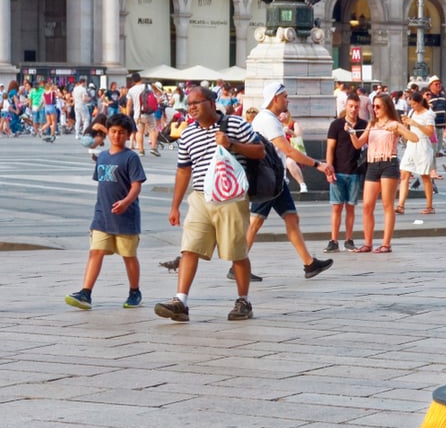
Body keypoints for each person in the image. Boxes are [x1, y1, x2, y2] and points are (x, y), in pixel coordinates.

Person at [153, 86, 264, 322]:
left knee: (236, 251)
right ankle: (180, 301)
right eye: (189, 104)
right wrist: (175, 206)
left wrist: (232, 144)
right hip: (200, 197)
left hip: (231, 198)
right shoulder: (187, 133)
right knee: (189, 247)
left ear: (212, 103)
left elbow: (259, 151)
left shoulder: (235, 124)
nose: (191, 108)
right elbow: (183, 170)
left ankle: (243, 300)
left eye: (196, 103)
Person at [241, 81, 335, 281]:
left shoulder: (268, 118)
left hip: (274, 179)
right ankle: (238, 265)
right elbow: (289, 150)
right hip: (268, 180)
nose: (288, 100)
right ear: (275, 98)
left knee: (290, 218)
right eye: (285, 97)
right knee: (255, 222)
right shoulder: (268, 120)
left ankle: (309, 264)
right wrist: (318, 165)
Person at [64, 114, 146, 311]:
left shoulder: (131, 157)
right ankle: (86, 293)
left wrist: (126, 202)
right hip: (102, 216)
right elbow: (102, 184)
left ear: (128, 135)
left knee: (128, 255)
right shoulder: (102, 156)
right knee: (96, 252)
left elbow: (136, 185)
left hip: (126, 217)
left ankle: (134, 291)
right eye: (114, 131)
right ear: (108, 132)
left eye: (122, 132)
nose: (117, 135)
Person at [347, 92, 418, 254]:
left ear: (386, 107)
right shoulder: (372, 124)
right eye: (373, 106)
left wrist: (398, 128)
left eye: (378, 106)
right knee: (367, 205)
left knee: (387, 204)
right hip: (372, 164)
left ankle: (386, 244)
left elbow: (414, 138)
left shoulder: (394, 124)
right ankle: (368, 243)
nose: (375, 109)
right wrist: (351, 133)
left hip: (388, 163)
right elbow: (358, 144)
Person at [324, 92, 366, 252]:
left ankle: (349, 239)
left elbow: (363, 146)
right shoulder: (336, 125)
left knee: (350, 207)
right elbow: (330, 148)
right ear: (346, 106)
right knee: (336, 207)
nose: (353, 109)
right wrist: (329, 168)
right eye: (351, 106)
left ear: (359, 108)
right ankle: (333, 240)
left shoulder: (363, 124)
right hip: (338, 170)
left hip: (355, 171)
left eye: (356, 107)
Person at [396, 91, 437, 215]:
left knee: (425, 176)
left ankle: (429, 206)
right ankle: (401, 205)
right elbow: (408, 127)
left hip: (423, 145)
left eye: (414, 104)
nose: (412, 106)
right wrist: (405, 124)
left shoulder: (428, 114)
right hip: (411, 145)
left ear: (420, 102)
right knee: (404, 174)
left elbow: (430, 132)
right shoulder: (411, 112)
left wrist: (415, 124)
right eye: (411, 104)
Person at [125, 72, 160, 157]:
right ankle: (153, 148)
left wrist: (127, 115)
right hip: (149, 113)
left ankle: (141, 150)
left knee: (139, 132)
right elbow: (154, 98)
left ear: (133, 81)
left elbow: (129, 104)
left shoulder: (131, 90)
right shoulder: (148, 87)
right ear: (140, 78)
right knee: (152, 130)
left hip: (138, 114)